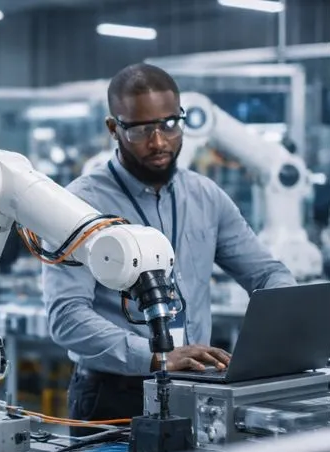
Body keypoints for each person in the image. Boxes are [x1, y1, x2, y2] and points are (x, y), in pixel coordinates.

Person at [41, 63, 296, 429]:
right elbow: (66, 317)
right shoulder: (78, 206)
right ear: (114, 129)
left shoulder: (206, 196)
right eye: (141, 130)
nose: (159, 141)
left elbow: (266, 273)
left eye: (169, 125)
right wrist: (155, 356)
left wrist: (289, 321)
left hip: (197, 385)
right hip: (114, 393)